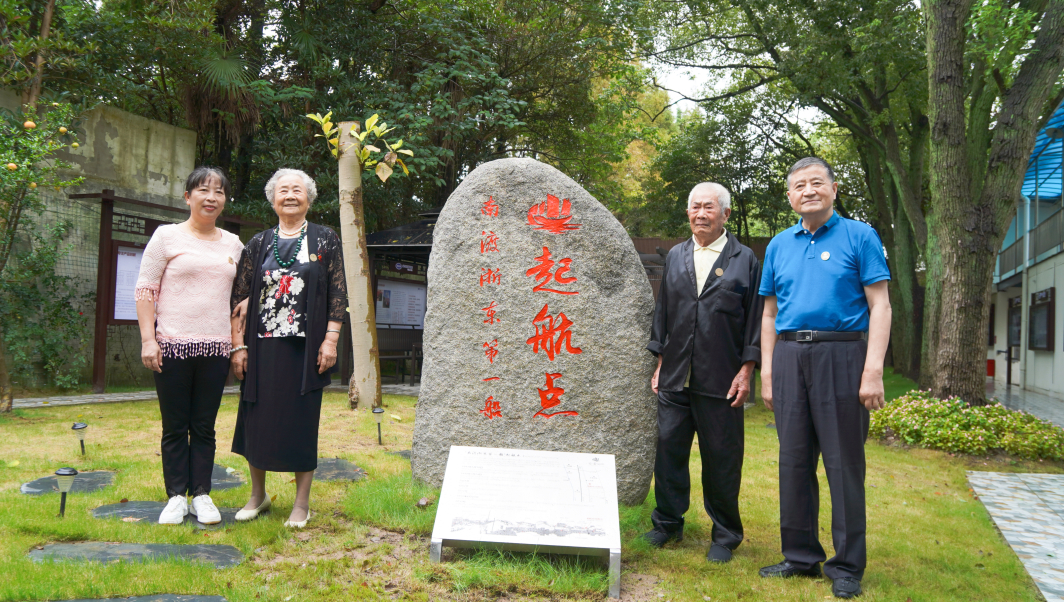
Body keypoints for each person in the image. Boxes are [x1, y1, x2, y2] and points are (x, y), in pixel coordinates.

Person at [758, 157, 892, 599]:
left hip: (843, 354)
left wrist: (872, 370)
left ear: (833, 189)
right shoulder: (779, 244)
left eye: (817, 183)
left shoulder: (860, 235)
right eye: (799, 186)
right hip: (791, 354)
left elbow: (881, 306)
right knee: (794, 462)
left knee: (843, 464)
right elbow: (770, 313)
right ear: (791, 196)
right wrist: (768, 371)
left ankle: (847, 565)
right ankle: (800, 556)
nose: (808, 191)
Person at [642, 182, 763, 563]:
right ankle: (667, 524)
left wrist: (747, 371)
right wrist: (660, 362)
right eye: (695, 207)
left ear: (725, 214)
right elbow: (664, 313)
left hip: (721, 378)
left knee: (722, 459)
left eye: (709, 207)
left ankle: (725, 535)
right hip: (676, 375)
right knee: (669, 452)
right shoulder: (677, 255)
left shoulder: (744, 259)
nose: (700, 214)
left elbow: (755, 322)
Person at [229, 168, 347, 528]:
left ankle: (301, 503)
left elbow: (338, 293)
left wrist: (331, 340)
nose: (290, 195)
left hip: (305, 348)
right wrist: (239, 347)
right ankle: (258, 495)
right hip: (262, 347)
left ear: (309, 198)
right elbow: (239, 296)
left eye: (298, 190)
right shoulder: (258, 243)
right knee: (256, 417)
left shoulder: (325, 239)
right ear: (273, 199)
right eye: (283, 190)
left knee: (301, 420)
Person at [135, 166, 245, 525]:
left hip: (215, 349)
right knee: (174, 424)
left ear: (224, 201)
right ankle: (175, 497)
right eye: (203, 190)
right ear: (188, 197)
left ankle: (202, 495)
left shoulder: (233, 244)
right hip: (172, 346)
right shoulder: (166, 237)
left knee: (204, 425)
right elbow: (145, 290)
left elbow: (241, 298)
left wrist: (237, 343)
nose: (211, 197)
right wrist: (149, 340)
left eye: (219, 192)